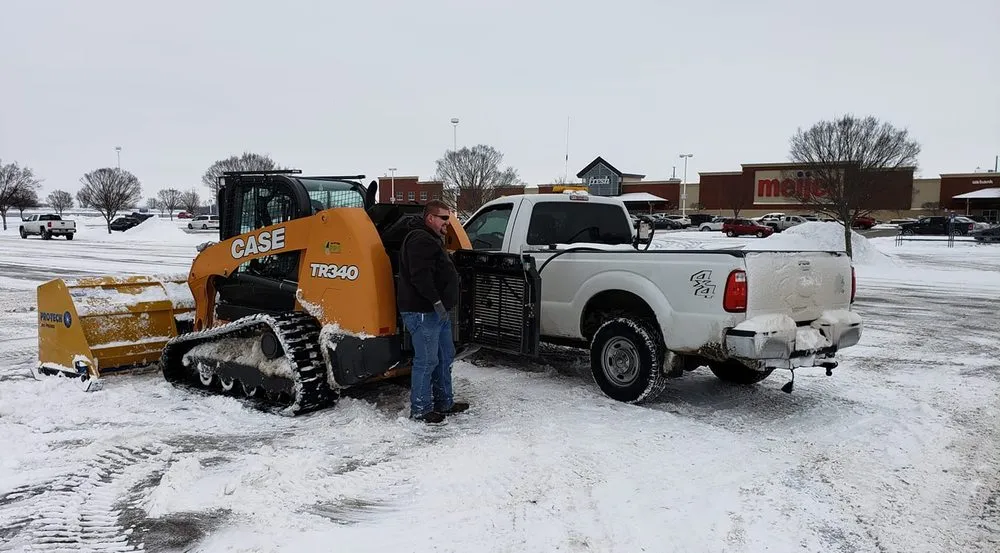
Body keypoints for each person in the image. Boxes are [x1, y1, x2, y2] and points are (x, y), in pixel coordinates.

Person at [397, 200, 470, 423]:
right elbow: (420, 276)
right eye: (444, 218)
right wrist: (436, 301)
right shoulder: (420, 239)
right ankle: (420, 409)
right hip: (423, 311)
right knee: (427, 361)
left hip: (438, 312)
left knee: (444, 356)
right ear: (430, 218)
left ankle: (444, 402)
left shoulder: (431, 239)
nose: (448, 223)